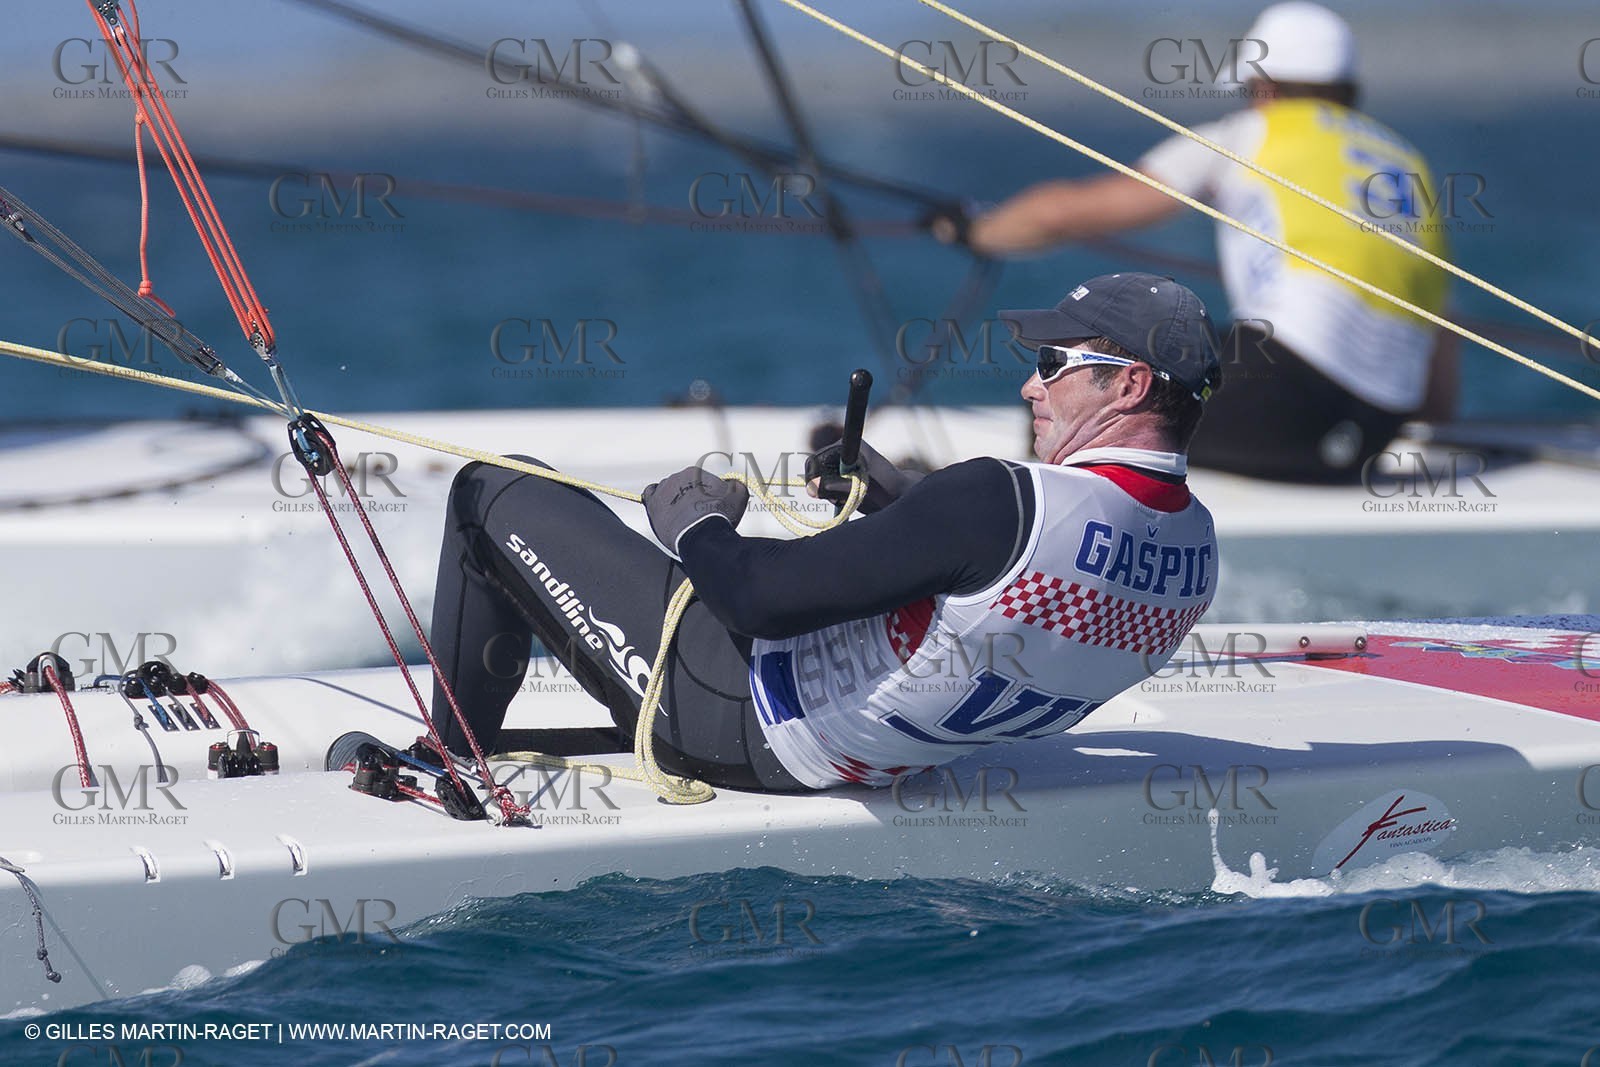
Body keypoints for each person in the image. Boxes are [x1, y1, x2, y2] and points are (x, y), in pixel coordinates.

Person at [423, 272, 1221, 793]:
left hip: (732, 714)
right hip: (870, 755)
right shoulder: (1197, 558)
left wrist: (695, 527)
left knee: (491, 489)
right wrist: (900, 501)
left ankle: (452, 758)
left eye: (1052, 362)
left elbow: (757, 601)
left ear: (1130, 384)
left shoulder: (998, 498)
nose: (1028, 384)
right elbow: (1001, 594)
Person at [933, 2, 1454, 483]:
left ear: (1264, 87)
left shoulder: (1248, 133)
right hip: (1374, 427)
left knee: (1071, 391)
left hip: (1284, 399)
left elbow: (1067, 214)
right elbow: (1439, 357)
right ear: (1349, 91)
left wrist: (976, 230)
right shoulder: (1406, 164)